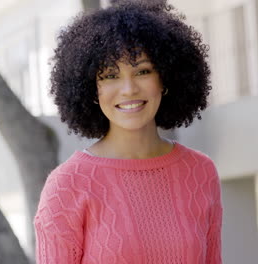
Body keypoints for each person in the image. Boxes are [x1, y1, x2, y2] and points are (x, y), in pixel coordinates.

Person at [34, 1, 223, 263]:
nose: (128, 89)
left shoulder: (201, 172)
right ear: (91, 88)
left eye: (142, 71)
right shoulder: (67, 184)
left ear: (165, 78)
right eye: (110, 75)